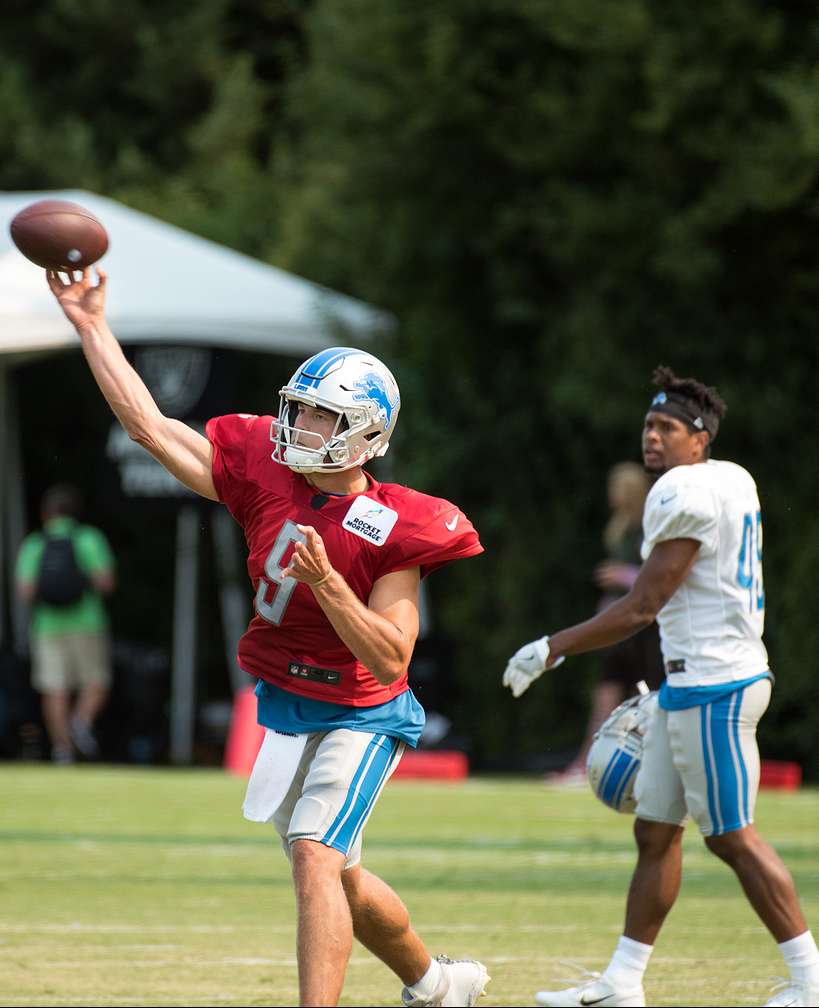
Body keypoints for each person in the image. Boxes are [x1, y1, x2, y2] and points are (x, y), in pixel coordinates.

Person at [46, 266, 490, 1008]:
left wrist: (327, 584)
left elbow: (391, 654)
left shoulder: (396, 520)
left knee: (313, 858)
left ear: (368, 437)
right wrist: (91, 325)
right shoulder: (263, 472)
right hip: (285, 701)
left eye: (321, 418)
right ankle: (436, 984)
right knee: (340, 870)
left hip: (361, 709)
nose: (298, 428)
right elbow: (149, 427)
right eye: (298, 410)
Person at [503, 366, 819, 1008]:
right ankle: (622, 983)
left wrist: (551, 648)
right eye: (648, 425)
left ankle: (810, 980)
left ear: (699, 438)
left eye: (668, 427)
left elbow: (643, 604)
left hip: (716, 686)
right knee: (656, 832)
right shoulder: (730, 478)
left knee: (732, 835)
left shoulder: (683, 492)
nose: (653, 436)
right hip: (690, 682)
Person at [549, 462, 663, 783]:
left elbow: (664, 577)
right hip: (620, 623)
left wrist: (624, 577)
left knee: (643, 694)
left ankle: (614, 763)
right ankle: (591, 761)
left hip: (643, 625)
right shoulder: (622, 527)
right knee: (609, 691)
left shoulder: (649, 527)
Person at [15, 483, 116, 764]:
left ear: (46, 513)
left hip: (47, 627)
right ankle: (81, 721)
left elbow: (24, 590)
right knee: (96, 682)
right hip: (87, 622)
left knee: (54, 688)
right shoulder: (88, 539)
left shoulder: (35, 543)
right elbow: (106, 582)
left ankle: (62, 749)